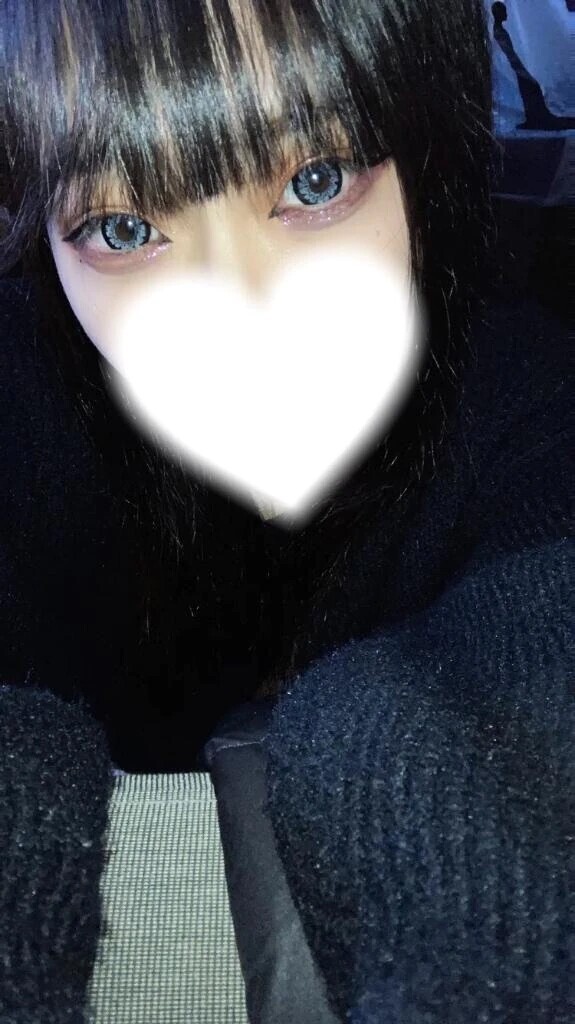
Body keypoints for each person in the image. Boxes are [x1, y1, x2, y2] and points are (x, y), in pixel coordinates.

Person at [0, 1, 572, 1021]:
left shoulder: (526, 397)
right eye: (123, 229)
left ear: (421, 153)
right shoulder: (23, 397)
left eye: (315, 182)